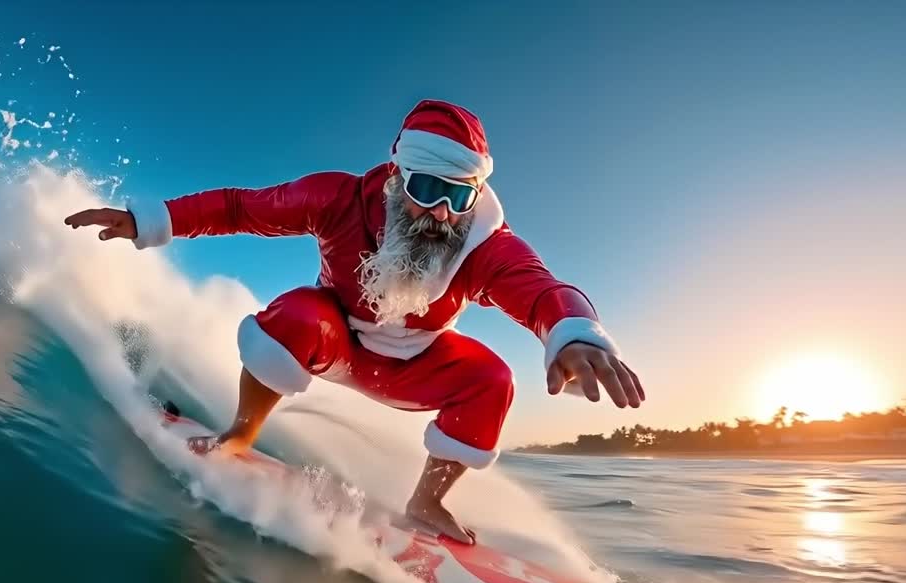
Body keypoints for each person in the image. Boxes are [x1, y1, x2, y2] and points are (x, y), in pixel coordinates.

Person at [65, 100, 644, 544]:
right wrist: (148, 219)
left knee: (493, 379)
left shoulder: (484, 244)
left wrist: (572, 333)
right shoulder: (337, 199)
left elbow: (541, 288)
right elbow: (242, 208)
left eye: (458, 197)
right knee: (292, 316)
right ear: (397, 176)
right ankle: (240, 433)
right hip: (332, 341)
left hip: (417, 369)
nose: (441, 213)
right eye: (426, 189)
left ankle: (427, 502)